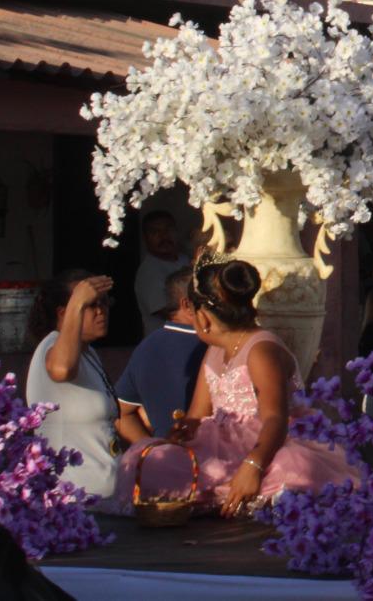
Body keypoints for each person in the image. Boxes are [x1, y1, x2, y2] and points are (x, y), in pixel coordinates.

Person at [116, 260, 360, 516]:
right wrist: (184, 430)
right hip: (218, 447)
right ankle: (219, 491)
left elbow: (276, 419)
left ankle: (237, 490)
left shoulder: (261, 349)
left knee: (289, 470)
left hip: (268, 445)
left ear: (202, 317)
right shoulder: (214, 350)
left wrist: (253, 465)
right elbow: (197, 413)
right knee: (147, 462)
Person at [25, 271, 120, 498]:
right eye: (91, 305)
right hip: (71, 499)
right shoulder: (52, 346)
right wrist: (77, 301)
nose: (101, 312)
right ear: (63, 313)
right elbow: (62, 370)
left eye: (104, 304)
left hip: (104, 497)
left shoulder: (90, 354)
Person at [114, 269, 206, 443]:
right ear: (187, 304)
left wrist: (153, 452)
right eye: (207, 299)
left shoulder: (146, 346)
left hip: (167, 464)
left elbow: (120, 413)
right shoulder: (209, 346)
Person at [133, 210, 191, 338]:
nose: (163, 236)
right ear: (145, 238)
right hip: (166, 341)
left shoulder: (184, 259)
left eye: (168, 230)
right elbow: (169, 312)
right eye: (155, 232)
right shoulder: (149, 271)